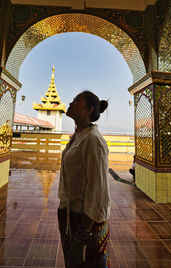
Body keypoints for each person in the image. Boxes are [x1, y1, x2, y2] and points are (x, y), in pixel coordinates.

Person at [57, 91, 111, 268]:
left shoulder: (93, 140)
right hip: (69, 216)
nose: (71, 103)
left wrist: (81, 238)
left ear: (89, 109)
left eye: (77, 100)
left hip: (85, 223)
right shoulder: (79, 135)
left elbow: (98, 191)